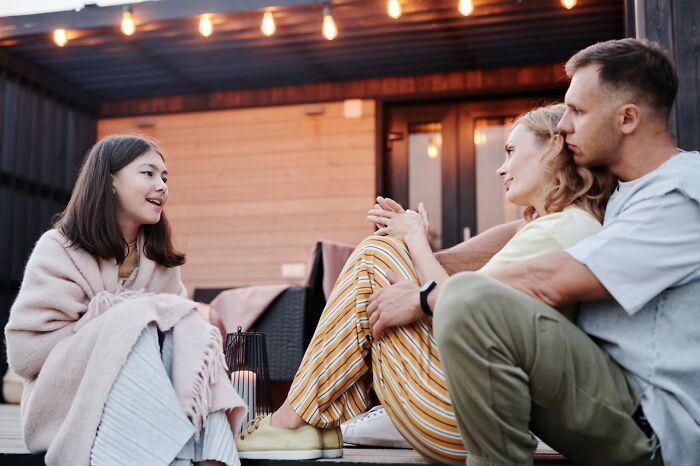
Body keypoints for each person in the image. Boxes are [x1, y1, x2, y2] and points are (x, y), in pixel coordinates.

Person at [234, 103, 616, 463]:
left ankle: (294, 420)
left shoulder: (560, 230)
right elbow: (470, 271)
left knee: (373, 257)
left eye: (512, 151)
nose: (502, 168)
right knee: (382, 255)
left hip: (465, 417)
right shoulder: (556, 225)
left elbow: (460, 309)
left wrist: (416, 239)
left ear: (552, 151)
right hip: (474, 407)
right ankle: (314, 424)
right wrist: (408, 249)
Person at [434, 38, 700, 466]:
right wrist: (441, 258)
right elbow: (534, 224)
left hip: (653, 427)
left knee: (468, 300)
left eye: (578, 111)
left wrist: (426, 293)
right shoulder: (625, 192)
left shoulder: (682, 193)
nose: (562, 126)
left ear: (627, 118)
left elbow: (550, 282)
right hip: (604, 393)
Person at [4, 135, 246, 466]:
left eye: (164, 177)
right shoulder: (59, 249)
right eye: (148, 174)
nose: (161, 186)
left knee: (190, 327)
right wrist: (111, 320)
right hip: (67, 402)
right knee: (136, 322)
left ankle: (210, 457)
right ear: (110, 181)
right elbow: (24, 354)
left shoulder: (158, 260)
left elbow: (175, 344)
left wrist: (134, 316)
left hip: (151, 400)